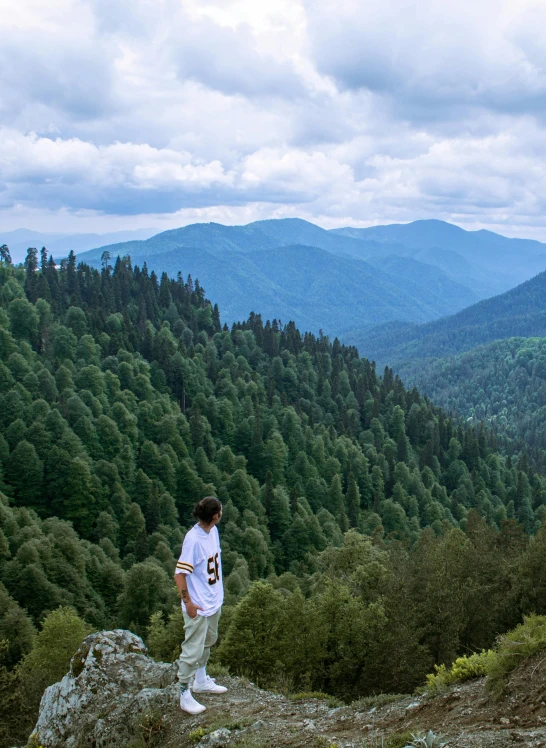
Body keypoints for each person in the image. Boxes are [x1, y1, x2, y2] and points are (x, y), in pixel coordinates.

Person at [174, 496, 227, 715]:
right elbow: (179, 574)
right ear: (215, 516)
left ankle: (201, 680)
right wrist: (188, 602)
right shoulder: (193, 539)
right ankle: (184, 692)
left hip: (213, 601)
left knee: (209, 640)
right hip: (198, 605)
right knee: (192, 649)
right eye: (220, 511)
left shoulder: (212, 531)